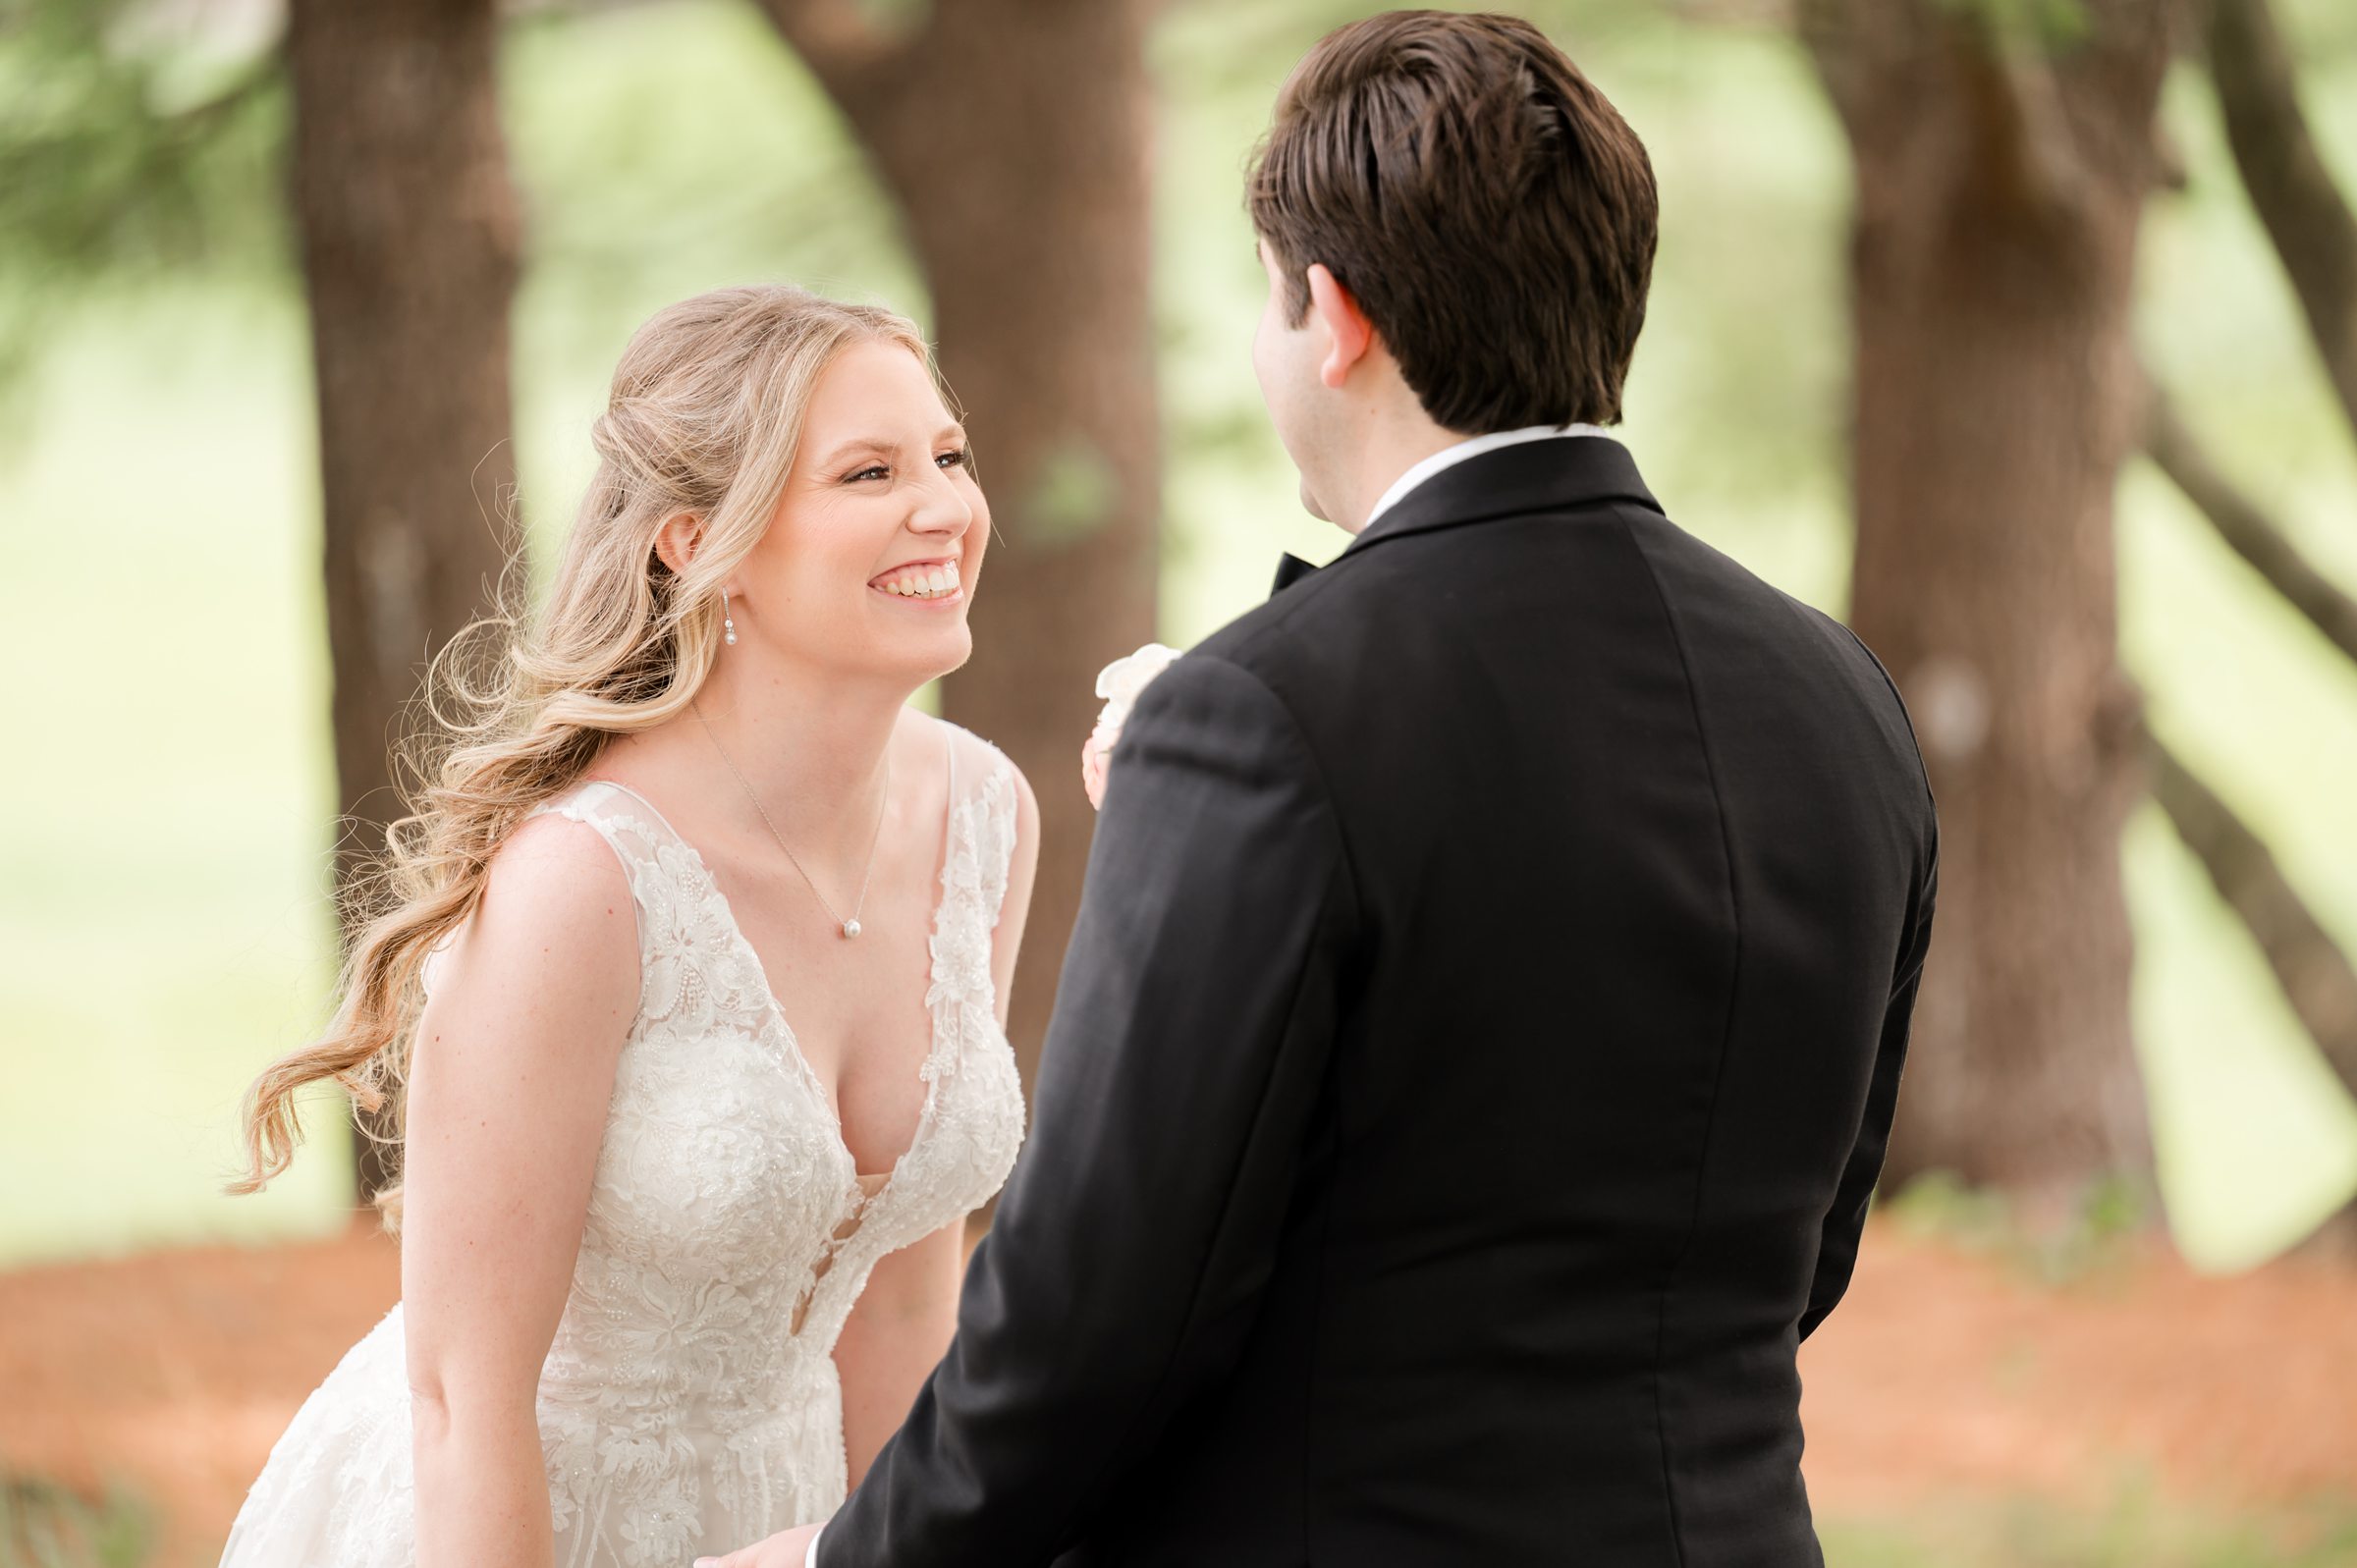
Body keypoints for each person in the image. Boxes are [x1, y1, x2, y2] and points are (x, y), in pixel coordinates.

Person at [715, 11, 1940, 1568]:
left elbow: (1093, 1316)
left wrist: (846, 1560)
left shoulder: (1259, 720)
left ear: (1336, 318)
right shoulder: (1844, 703)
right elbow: (1800, 1248)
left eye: (1269, 297)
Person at [216, 285, 1040, 1568]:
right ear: (699, 542)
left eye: (949, 455)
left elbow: (901, 1308)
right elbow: (463, 1401)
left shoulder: (982, 817)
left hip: (799, 1518)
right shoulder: (582, 881)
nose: (944, 506)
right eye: (869, 472)